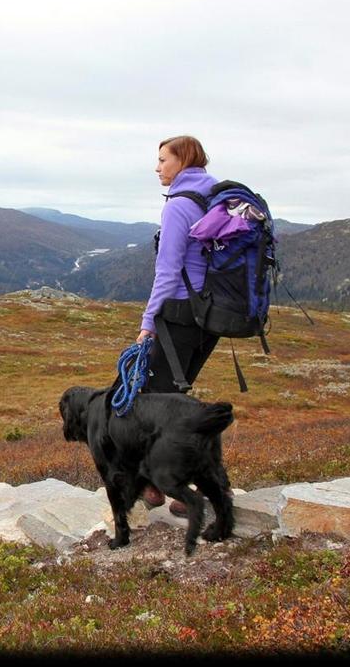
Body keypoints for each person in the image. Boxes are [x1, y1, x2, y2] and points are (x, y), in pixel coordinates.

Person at [134, 135, 224, 515]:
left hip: (181, 316)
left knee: (154, 403)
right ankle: (161, 484)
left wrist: (148, 322)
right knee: (176, 401)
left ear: (182, 160)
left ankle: (175, 489)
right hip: (212, 318)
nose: (157, 168)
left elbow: (168, 272)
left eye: (162, 160)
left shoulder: (179, 206)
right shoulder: (216, 195)